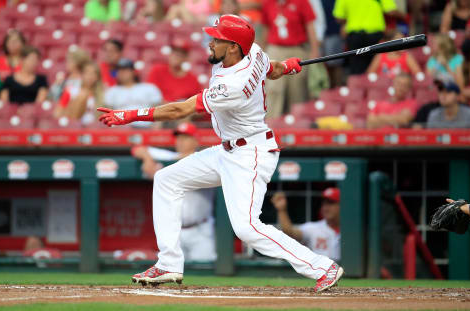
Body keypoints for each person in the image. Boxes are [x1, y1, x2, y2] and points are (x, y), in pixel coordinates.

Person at [97, 14, 343, 292]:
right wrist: (286, 66)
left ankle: (323, 266)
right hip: (227, 150)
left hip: (250, 153)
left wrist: (130, 114)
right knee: (167, 179)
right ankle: (168, 264)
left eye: (217, 39)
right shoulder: (254, 51)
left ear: (234, 47)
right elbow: (271, 69)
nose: (210, 43)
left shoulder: (233, 85)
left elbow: (181, 110)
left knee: (247, 229)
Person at [131, 122, 217, 261]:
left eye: (185, 138)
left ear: (195, 140)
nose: (181, 142)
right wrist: (148, 160)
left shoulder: (205, 160)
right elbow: (138, 148)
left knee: (205, 270)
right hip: (174, 232)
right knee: (173, 274)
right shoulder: (169, 157)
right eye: (178, 138)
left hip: (201, 230)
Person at [261, 0, 320, 118]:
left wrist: (314, 50)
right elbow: (265, 28)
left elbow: (310, 26)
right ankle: (272, 122)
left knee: (297, 88)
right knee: (273, 87)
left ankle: (297, 122)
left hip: (297, 48)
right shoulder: (268, 3)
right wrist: (262, 52)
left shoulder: (302, 2)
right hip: (275, 48)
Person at [271, 188, 341, 262]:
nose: (326, 208)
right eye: (324, 204)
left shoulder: (352, 229)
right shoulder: (313, 228)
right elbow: (290, 232)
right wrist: (282, 210)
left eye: (331, 203)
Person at [333, 0, 399, 75]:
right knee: (375, 70)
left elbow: (339, 17)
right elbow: (391, 11)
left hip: (355, 36)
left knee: (357, 71)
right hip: (375, 35)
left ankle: (358, 86)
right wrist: (403, 15)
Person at [105, 58, 163, 128]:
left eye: (125, 70)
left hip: (145, 127)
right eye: (119, 70)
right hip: (122, 129)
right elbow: (108, 115)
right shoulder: (112, 91)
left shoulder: (149, 88)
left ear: (133, 72)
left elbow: (159, 111)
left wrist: (155, 130)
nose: (122, 73)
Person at [55, 61, 104, 126]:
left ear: (97, 77)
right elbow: (57, 113)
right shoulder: (71, 90)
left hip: (94, 127)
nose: (90, 76)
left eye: (93, 73)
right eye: (87, 73)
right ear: (81, 75)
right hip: (73, 124)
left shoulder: (103, 94)